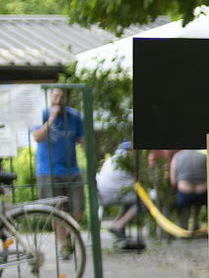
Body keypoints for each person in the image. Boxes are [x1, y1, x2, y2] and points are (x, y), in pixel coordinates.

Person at [30, 87, 85, 230]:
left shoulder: (75, 116)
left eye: (62, 96)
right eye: (55, 96)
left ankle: (68, 237)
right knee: (56, 211)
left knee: (78, 209)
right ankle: (63, 247)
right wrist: (52, 118)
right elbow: (37, 137)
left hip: (72, 170)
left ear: (67, 98)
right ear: (50, 96)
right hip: (48, 170)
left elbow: (83, 141)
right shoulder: (42, 114)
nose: (58, 100)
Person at [94, 140, 140, 242]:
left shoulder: (110, 160)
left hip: (100, 196)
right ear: (130, 151)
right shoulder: (128, 161)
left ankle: (117, 224)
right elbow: (138, 182)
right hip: (113, 195)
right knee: (142, 201)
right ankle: (118, 225)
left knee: (129, 200)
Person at [168, 148, 208, 228]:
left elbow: (173, 181)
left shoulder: (177, 157)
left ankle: (183, 227)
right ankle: (196, 224)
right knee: (198, 206)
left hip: (184, 192)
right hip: (202, 192)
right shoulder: (203, 157)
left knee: (184, 210)